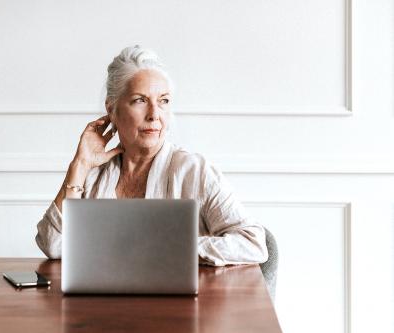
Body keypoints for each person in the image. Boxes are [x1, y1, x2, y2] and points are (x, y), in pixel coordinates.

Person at [35, 45, 268, 266]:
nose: (155, 114)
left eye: (163, 101)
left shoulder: (195, 171)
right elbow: (53, 245)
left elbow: (253, 243)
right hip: (103, 304)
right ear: (112, 109)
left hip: (178, 307)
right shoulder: (94, 175)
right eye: (140, 101)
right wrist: (80, 165)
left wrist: (165, 248)